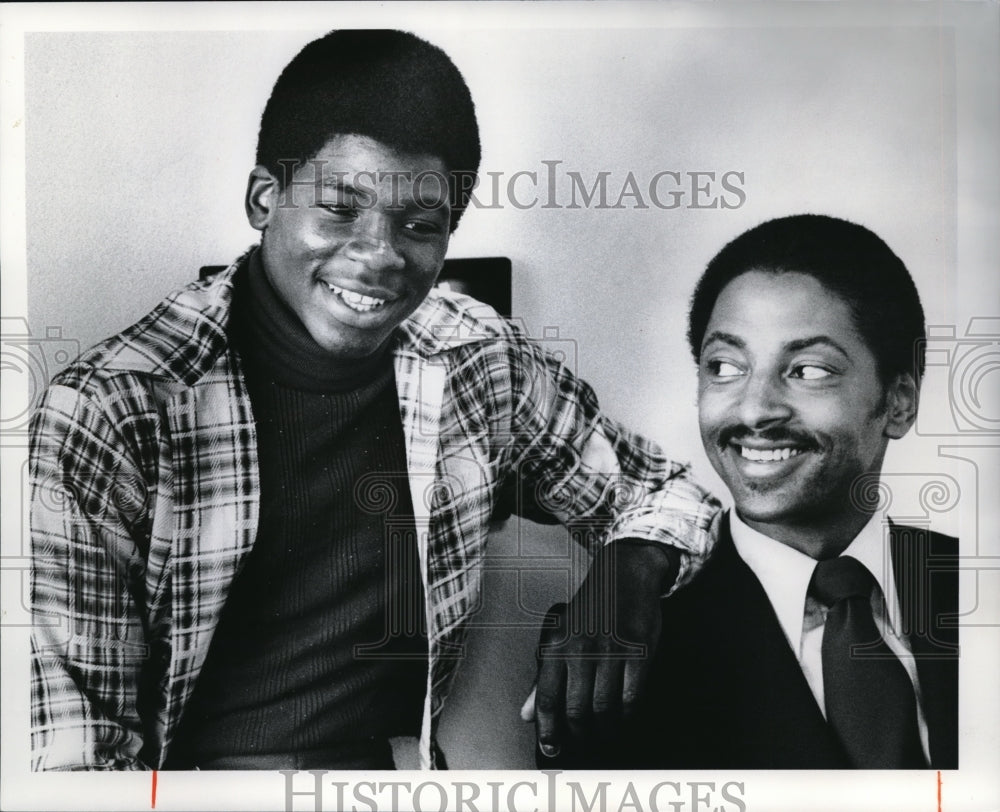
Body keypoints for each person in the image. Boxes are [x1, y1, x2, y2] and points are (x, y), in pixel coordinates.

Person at [28, 29, 719, 771]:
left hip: (400, 776)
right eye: (339, 209)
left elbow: (664, 491)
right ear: (265, 199)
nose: (380, 255)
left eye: (420, 226)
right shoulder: (110, 410)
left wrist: (624, 574)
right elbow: (77, 759)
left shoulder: (476, 357)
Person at [548, 214, 959, 769]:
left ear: (899, 402)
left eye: (809, 370)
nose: (755, 409)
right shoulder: (615, 644)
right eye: (724, 366)